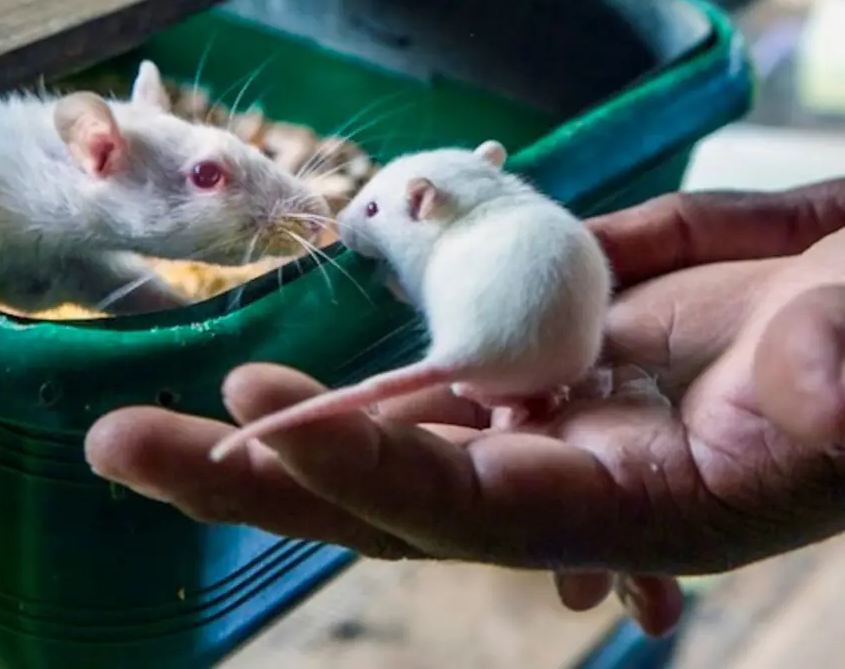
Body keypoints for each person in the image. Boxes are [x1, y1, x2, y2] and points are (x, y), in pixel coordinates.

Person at [85, 178, 845, 638]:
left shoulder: (453, 230)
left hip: (535, 343)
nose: (355, 220)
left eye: (375, 207)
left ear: (424, 202)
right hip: (569, 352)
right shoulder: (504, 220)